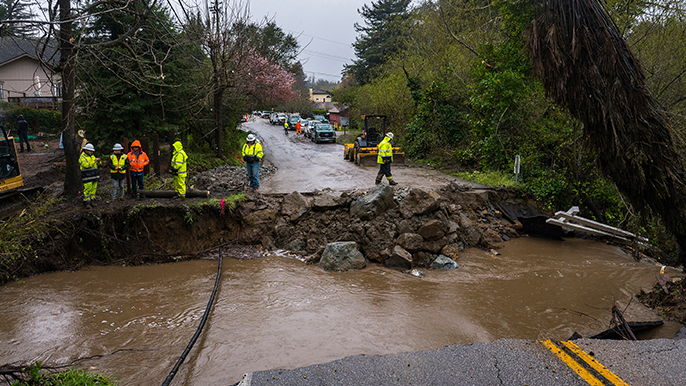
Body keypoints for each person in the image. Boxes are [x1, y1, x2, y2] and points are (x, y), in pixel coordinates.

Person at [79, 143, 101, 208]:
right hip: (87, 176)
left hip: (94, 175)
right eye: (90, 151)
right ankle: (87, 202)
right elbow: (86, 165)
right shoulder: (82, 157)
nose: (91, 152)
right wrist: (94, 161)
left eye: (92, 151)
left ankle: (92, 201)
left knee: (93, 189)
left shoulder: (92, 156)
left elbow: (97, 165)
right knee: (87, 189)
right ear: (86, 150)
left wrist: (98, 161)